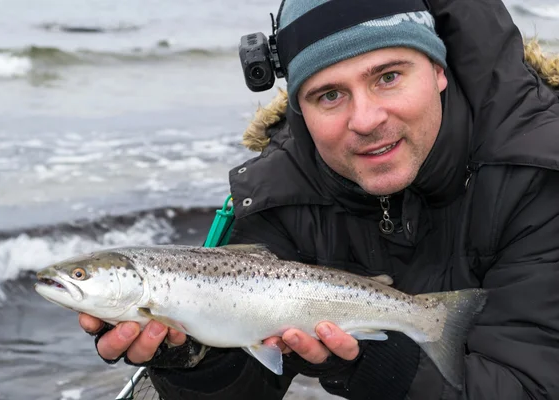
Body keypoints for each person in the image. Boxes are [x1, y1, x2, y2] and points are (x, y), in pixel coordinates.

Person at [79, 0, 559, 398]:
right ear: (299, 110)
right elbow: (248, 385)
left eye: (388, 76)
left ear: (438, 71)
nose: (366, 119)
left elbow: (535, 387)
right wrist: (193, 362)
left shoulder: (540, 174)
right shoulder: (278, 194)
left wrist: (379, 361)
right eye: (329, 95)